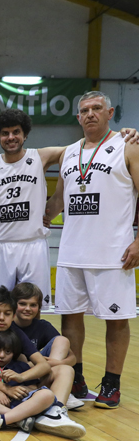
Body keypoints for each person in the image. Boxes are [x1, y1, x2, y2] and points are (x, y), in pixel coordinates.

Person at [0, 108, 139, 306]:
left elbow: (88, 145)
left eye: (16, 132)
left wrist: (121, 135)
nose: (11, 137)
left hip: (34, 243)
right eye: (5, 133)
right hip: (1, 244)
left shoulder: (41, 156)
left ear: (25, 135)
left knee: (35, 306)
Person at [45, 91, 139, 409]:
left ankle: (111, 384)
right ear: (78, 117)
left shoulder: (128, 146)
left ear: (110, 112)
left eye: (97, 108)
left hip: (113, 253)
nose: (90, 114)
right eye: (84, 110)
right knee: (70, 320)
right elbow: (59, 200)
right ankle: (78, 379)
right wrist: (39, 217)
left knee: (118, 320)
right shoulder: (70, 153)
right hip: (72, 252)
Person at [0, 286, 83, 437]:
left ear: (13, 316)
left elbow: (43, 365)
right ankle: (21, 417)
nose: (1, 318)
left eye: (7, 314)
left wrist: (22, 377)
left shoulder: (16, 333)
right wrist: (4, 389)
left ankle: (54, 413)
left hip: (19, 391)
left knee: (65, 371)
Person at [0, 331, 67, 436]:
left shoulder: (21, 367)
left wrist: (20, 387)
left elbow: (33, 388)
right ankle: (19, 419)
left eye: (8, 352)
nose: (1, 355)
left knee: (47, 394)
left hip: (21, 403)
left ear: (14, 353)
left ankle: (5, 419)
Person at [11, 282, 82, 410]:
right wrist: (40, 364)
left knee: (62, 340)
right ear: (14, 304)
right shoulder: (8, 326)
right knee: (21, 357)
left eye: (33, 305)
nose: (28, 308)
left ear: (39, 307)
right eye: (22, 304)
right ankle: (59, 390)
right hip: (18, 375)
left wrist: (55, 363)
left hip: (40, 372)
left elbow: (73, 359)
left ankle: (56, 399)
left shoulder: (43, 326)